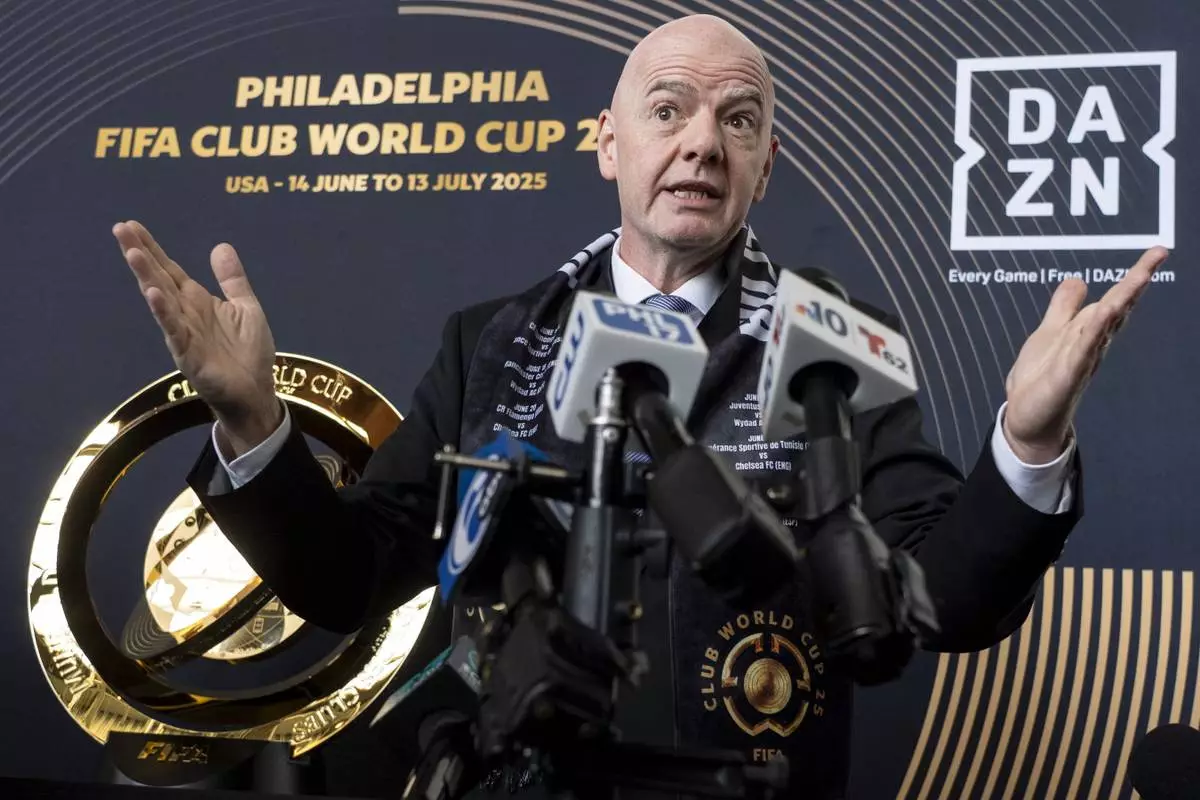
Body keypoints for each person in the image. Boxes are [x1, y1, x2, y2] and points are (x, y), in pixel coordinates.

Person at [112, 14, 1164, 799]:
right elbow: (348, 576)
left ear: (763, 163)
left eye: (736, 121)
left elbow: (945, 596)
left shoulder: (836, 343)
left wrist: (1026, 442)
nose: (702, 142)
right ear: (609, 144)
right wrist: (254, 423)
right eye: (669, 110)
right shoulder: (491, 339)